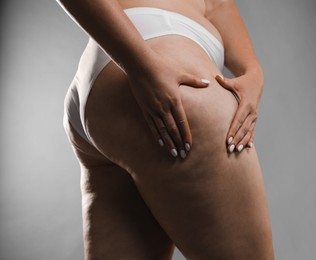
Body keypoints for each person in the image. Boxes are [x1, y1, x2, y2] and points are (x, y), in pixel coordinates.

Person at [58, 0, 274, 259]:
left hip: (99, 92)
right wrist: (140, 65)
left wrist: (253, 70)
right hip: (164, 59)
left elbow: (218, 4)